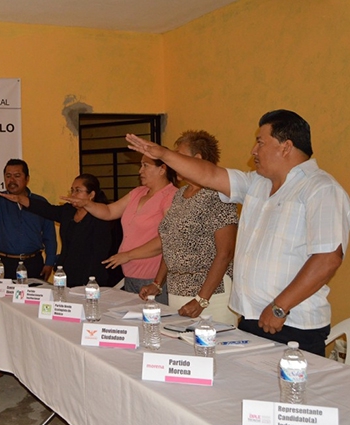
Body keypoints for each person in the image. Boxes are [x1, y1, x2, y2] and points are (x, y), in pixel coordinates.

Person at [126, 109, 350, 356]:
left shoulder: (320, 189)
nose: (254, 150)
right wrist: (163, 154)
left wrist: (280, 307)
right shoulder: (257, 184)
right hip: (252, 318)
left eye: (260, 142)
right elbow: (209, 174)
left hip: (291, 322)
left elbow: (327, 258)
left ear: (286, 147)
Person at [138, 131, 238, 325]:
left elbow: (225, 253)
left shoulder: (218, 194)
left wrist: (202, 299)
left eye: (179, 156)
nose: (173, 162)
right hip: (177, 291)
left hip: (211, 296)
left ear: (197, 159)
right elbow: (172, 243)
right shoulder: (180, 194)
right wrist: (157, 283)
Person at [63, 155, 177, 302]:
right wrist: (86, 203)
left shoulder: (171, 196)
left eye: (145, 166)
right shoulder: (138, 192)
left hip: (154, 278)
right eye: (141, 165)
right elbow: (109, 211)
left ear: (162, 169)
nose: (140, 171)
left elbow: (167, 240)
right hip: (130, 275)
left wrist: (128, 255)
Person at [0, 174, 112, 287]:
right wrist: (20, 199)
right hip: (66, 277)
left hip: (91, 280)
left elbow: (99, 254)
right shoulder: (68, 211)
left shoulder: (100, 217)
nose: (73, 195)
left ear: (91, 195)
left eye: (78, 190)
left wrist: (88, 283)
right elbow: (46, 209)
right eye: (72, 190)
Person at [0, 159, 57, 281]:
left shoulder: (40, 202)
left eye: (17, 176)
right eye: (8, 176)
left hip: (33, 263)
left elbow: (49, 236)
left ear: (27, 179)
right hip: (5, 264)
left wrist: (49, 262)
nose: (12, 180)